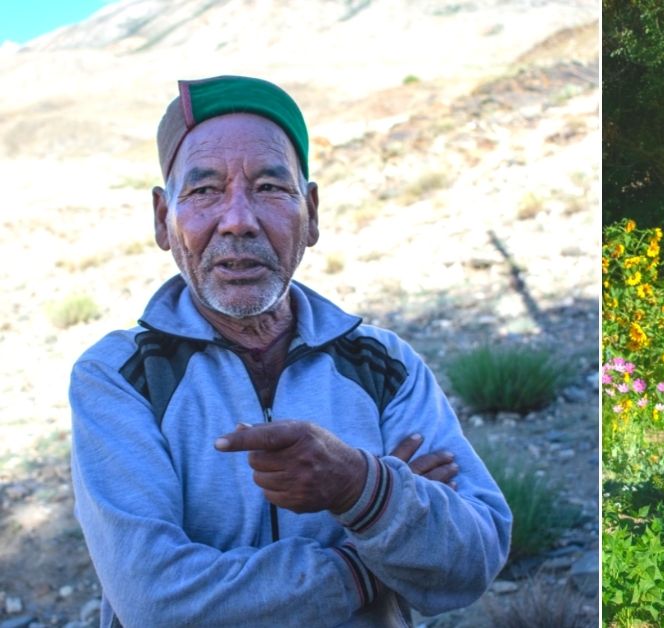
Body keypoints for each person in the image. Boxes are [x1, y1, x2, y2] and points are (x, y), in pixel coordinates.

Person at [69, 75, 512, 627]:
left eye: (270, 188)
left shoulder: (384, 365)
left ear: (312, 212)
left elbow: (475, 557)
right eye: (204, 191)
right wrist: (365, 556)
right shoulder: (119, 376)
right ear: (164, 220)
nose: (237, 220)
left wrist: (358, 484)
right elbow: (157, 603)